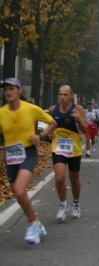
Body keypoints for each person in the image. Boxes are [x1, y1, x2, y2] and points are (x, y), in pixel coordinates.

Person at [0, 77, 57, 244]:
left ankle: (31, 224)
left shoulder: (31, 108)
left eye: (12, 88)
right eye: (6, 89)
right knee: (19, 194)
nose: (8, 92)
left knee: (18, 190)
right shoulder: (2, 112)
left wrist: (40, 136)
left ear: (19, 91)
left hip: (28, 153)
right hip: (10, 156)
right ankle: (36, 223)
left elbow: (52, 122)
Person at [48, 85, 88, 221]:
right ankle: (63, 205)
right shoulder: (53, 110)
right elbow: (50, 126)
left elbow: (85, 129)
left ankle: (76, 204)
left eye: (65, 95)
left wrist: (78, 120)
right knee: (59, 178)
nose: (62, 97)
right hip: (58, 148)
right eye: (60, 94)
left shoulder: (78, 109)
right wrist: (49, 133)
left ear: (71, 96)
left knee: (74, 179)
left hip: (74, 149)